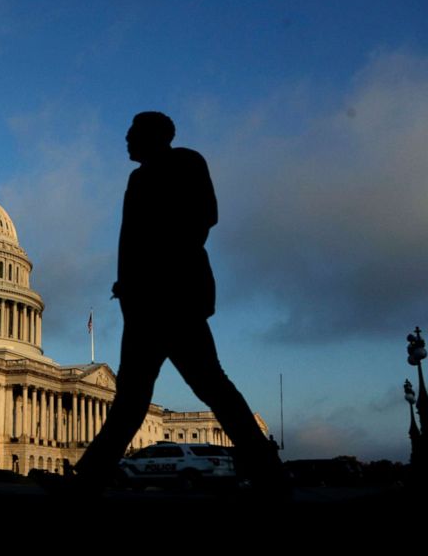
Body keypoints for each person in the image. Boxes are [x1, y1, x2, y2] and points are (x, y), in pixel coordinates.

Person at [74, 111, 283, 489]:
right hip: (142, 300)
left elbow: (205, 217)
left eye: (132, 133)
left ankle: (266, 466)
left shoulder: (186, 162)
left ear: (154, 135)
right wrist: (127, 284)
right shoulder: (137, 178)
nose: (125, 139)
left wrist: (158, 263)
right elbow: (130, 237)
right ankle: (89, 476)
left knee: (208, 386)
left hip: (174, 295)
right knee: (134, 397)